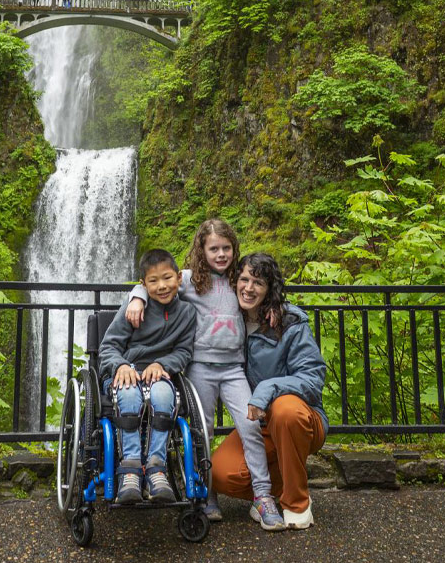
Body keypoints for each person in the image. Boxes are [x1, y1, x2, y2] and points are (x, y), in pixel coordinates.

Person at [123, 220, 280, 529]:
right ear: (202, 249)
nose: (220, 254)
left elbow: (261, 291)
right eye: (214, 248)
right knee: (202, 433)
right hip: (200, 368)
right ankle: (205, 493)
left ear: (234, 250)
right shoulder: (188, 280)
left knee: (250, 428)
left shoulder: (239, 278)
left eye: (226, 248)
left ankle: (263, 496)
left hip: (235, 369)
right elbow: (153, 281)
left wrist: (275, 305)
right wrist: (138, 297)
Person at [211, 252, 327, 530]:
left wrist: (269, 387)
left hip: (299, 418)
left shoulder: (288, 322)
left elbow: (313, 378)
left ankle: (296, 503)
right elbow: (177, 285)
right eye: (244, 279)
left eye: (258, 283)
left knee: (285, 408)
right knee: (219, 474)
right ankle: (268, 496)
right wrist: (141, 292)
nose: (249, 288)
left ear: (269, 289)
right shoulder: (228, 319)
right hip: (257, 425)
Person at [98, 249, 198, 504]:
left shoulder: (187, 314)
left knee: (164, 395)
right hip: (126, 371)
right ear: (143, 284)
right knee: (129, 396)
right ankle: (130, 470)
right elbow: (108, 347)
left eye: (167, 278)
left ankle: (157, 467)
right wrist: (120, 365)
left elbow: (184, 351)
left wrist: (162, 363)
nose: (162, 286)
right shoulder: (132, 309)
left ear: (178, 277)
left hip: (159, 374)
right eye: (153, 281)